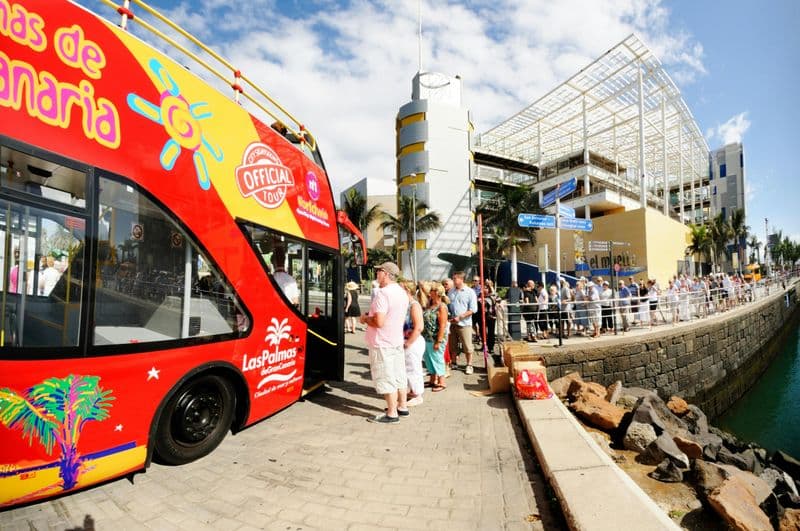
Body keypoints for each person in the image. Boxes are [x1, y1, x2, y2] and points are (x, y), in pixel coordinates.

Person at [360, 262, 409, 423]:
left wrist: (365, 318)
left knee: (385, 376)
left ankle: (392, 413)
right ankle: (402, 406)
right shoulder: (402, 292)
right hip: (395, 340)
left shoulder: (383, 293)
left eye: (379, 271)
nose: (376, 274)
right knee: (398, 375)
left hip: (382, 342)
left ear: (386, 273)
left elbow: (379, 322)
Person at [447, 271, 478, 374]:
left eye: (455, 278)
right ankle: (454, 362)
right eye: (453, 278)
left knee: (467, 346)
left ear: (461, 279)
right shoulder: (451, 291)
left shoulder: (470, 292)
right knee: (452, 344)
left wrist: (460, 317)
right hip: (452, 323)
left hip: (464, 324)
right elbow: (448, 305)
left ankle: (469, 365)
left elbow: (473, 309)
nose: (453, 280)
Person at [421, 281, 449, 392]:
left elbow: (443, 325)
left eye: (431, 290)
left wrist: (438, 341)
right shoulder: (430, 305)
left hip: (435, 338)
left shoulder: (442, 307)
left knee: (437, 359)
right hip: (427, 337)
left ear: (436, 292)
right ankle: (432, 379)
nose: (429, 292)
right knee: (428, 359)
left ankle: (441, 381)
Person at [401, 281, 425, 406]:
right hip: (407, 340)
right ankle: (412, 390)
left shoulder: (414, 306)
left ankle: (418, 394)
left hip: (413, 342)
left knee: (413, 368)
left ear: (407, 291)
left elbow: (419, 327)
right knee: (407, 368)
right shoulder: (406, 305)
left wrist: (408, 343)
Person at [483, 280, 499, 355]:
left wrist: (491, 290)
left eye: (488, 286)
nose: (485, 288)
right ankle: (484, 345)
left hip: (491, 316)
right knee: (483, 331)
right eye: (485, 286)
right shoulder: (481, 295)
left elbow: (498, 300)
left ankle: (491, 347)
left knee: (491, 332)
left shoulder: (493, 295)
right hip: (483, 315)